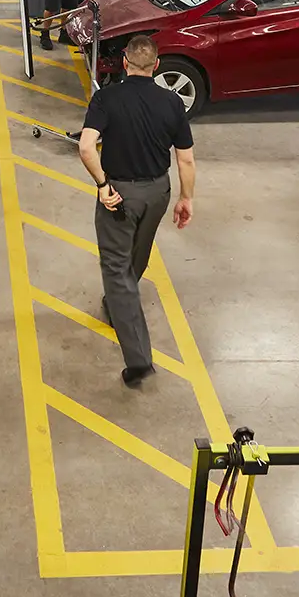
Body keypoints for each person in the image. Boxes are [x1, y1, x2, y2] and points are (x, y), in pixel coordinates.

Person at [76, 35, 196, 388]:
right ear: (156, 66)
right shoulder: (173, 102)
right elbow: (185, 157)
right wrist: (187, 198)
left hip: (120, 194)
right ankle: (116, 306)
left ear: (125, 64)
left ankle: (139, 358)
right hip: (158, 192)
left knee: (115, 268)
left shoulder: (107, 98)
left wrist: (102, 185)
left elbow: (86, 147)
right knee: (138, 252)